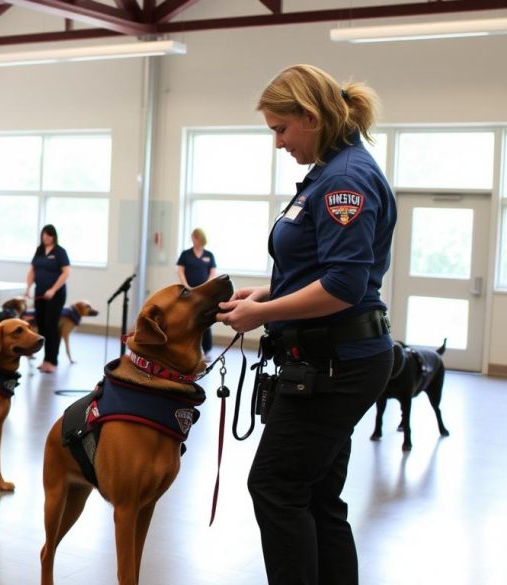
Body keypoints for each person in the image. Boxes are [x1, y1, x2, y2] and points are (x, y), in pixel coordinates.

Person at [216, 64, 396, 585]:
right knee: (316, 495)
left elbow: (342, 287)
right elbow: (327, 270)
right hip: (327, 358)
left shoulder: (345, 180)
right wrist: (268, 291)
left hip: (337, 363)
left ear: (311, 118)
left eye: (281, 128)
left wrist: (261, 313)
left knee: (275, 486)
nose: (278, 142)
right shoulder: (331, 171)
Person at [26, 224, 70, 373]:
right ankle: (45, 359)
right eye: (43, 234)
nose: (45, 237)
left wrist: (53, 289)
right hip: (40, 294)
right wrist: (28, 288)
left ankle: (53, 361)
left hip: (56, 295)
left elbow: (65, 273)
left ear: (53, 236)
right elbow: (32, 271)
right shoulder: (39, 251)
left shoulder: (59, 252)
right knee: (42, 327)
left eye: (48, 235)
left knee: (51, 326)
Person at [176, 227, 217, 356]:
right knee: (188, 318)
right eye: (193, 237)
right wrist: (186, 285)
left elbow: (213, 273)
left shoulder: (209, 255)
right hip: (189, 291)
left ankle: (206, 348)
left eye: (196, 237)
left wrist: (206, 285)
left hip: (204, 293)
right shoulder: (185, 254)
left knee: (205, 319)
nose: (194, 240)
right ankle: (186, 347)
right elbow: (180, 271)